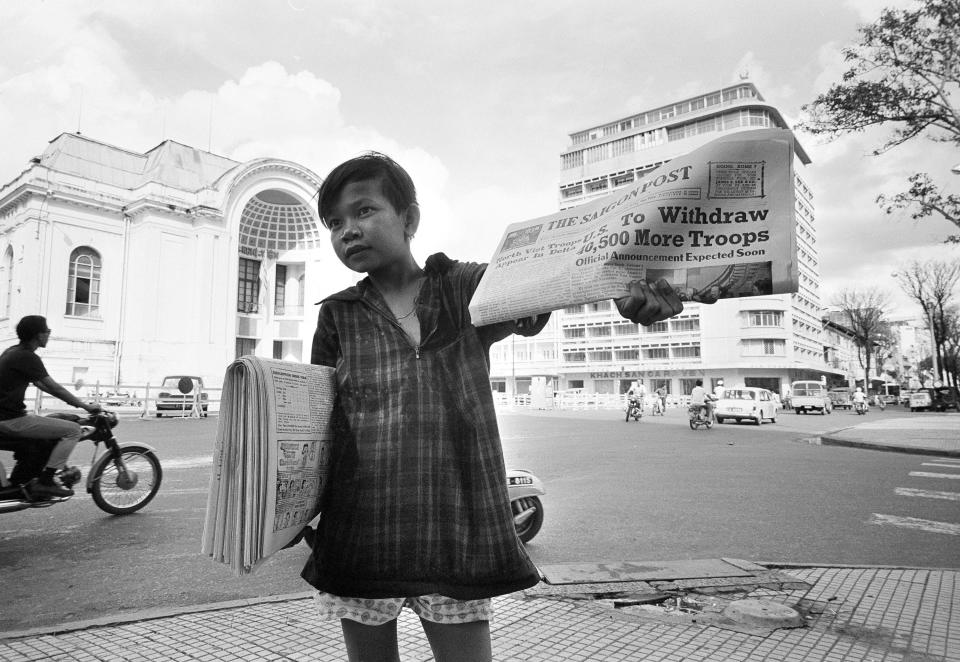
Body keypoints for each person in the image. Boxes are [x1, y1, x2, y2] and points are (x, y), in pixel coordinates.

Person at [303, 152, 684, 662]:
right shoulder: (337, 315)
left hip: (458, 528)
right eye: (334, 222)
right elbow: (319, 421)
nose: (348, 230)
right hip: (363, 530)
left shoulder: (463, 286)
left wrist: (623, 292)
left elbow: (539, 292)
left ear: (410, 219)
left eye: (365, 210)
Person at [0, 316, 101, 498]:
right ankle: (45, 482)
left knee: (53, 422)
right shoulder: (27, 357)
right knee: (73, 430)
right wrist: (85, 406)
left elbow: (42, 384)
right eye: (47, 331)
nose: (48, 335)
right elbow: (54, 387)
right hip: (11, 420)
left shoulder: (13, 352)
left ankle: (35, 475)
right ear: (38, 335)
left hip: (5, 417)